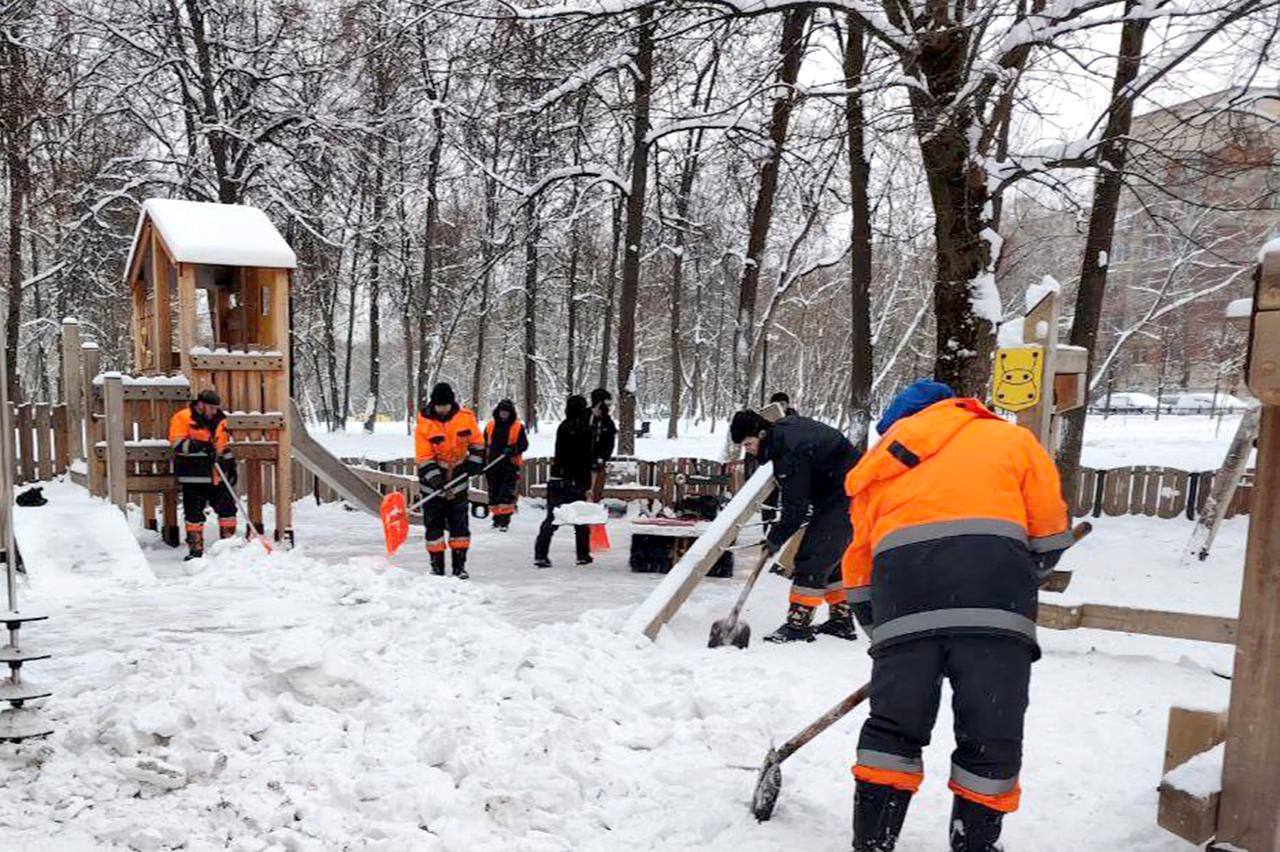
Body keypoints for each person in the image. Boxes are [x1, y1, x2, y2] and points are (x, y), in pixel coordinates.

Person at [841, 380, 1071, 852]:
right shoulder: (1012, 441)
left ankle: (872, 842)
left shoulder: (880, 464)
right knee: (991, 730)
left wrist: (881, 628)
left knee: (893, 728)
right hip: (995, 609)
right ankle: (975, 843)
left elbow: (859, 561)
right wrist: (1025, 570)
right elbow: (1048, 531)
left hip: (903, 605)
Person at [729, 406, 859, 643]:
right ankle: (841, 621)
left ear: (759, 434)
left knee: (812, 557)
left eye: (748, 444)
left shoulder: (789, 451)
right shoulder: (785, 430)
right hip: (844, 491)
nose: (748, 451)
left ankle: (798, 625)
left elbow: (795, 509)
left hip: (846, 495)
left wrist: (775, 539)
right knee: (830, 558)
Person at [415, 382, 484, 579]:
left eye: (445, 405)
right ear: (433, 405)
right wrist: (436, 479)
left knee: (459, 524)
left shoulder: (465, 418)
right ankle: (437, 567)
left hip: (459, 477)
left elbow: (478, 443)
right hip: (432, 482)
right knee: (434, 524)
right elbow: (423, 456)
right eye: (439, 406)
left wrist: (475, 461)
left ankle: (459, 567)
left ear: (451, 403)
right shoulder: (424, 423)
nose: (442, 409)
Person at [169, 389, 237, 560]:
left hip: (217, 474)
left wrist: (230, 464)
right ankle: (195, 550)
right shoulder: (183, 417)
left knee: (228, 510)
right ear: (201, 405)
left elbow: (223, 445)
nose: (215, 411)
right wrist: (200, 446)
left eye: (216, 408)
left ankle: (228, 547)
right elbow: (177, 445)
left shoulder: (220, 419)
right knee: (194, 514)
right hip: (193, 475)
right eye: (212, 408)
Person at [534, 394, 594, 568]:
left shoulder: (563, 426)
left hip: (557, 478)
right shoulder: (585, 429)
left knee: (552, 518)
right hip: (575, 480)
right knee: (581, 519)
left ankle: (541, 554)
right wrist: (586, 485)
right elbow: (585, 458)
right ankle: (582, 554)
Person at [483, 399, 529, 531]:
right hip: (492, 465)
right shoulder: (490, 426)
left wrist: (513, 449)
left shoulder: (517, 426)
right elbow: (483, 444)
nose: (504, 414)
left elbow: (524, 444)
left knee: (506, 494)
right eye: (502, 411)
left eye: (506, 412)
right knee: (494, 495)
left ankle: (504, 521)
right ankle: (496, 519)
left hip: (509, 465)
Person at [588, 388, 618, 501]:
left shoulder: (607, 421)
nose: (609, 407)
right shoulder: (584, 418)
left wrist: (602, 457)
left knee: (595, 495)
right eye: (607, 403)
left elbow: (609, 442)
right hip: (581, 465)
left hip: (598, 464)